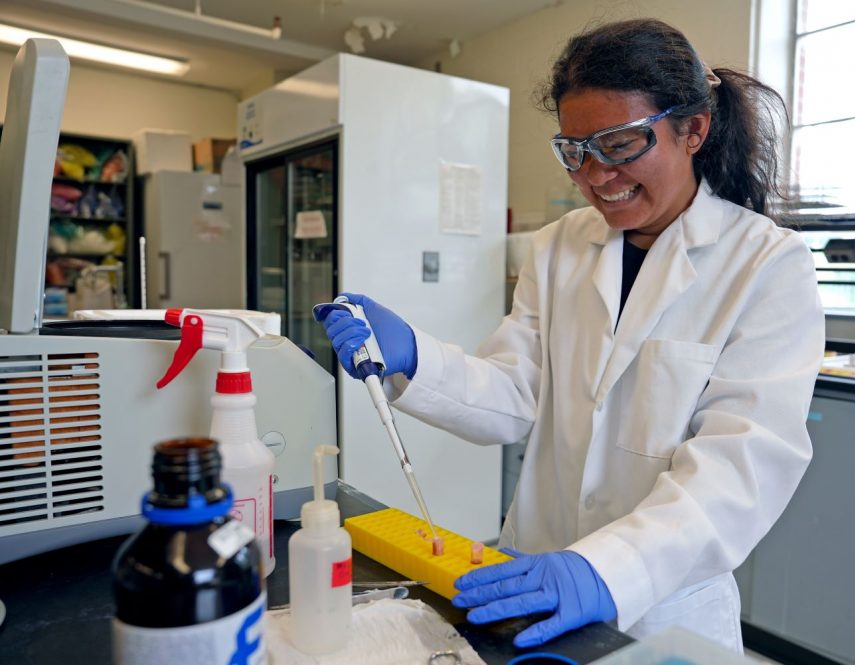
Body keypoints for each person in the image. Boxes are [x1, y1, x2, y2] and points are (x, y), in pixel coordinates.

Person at [315, 18, 824, 652]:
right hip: (530, 576)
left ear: (692, 130)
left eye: (621, 144)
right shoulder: (559, 246)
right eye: (576, 151)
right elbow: (517, 393)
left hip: (662, 605)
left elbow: (742, 465)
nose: (596, 175)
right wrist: (417, 358)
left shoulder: (766, 263)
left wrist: (608, 569)